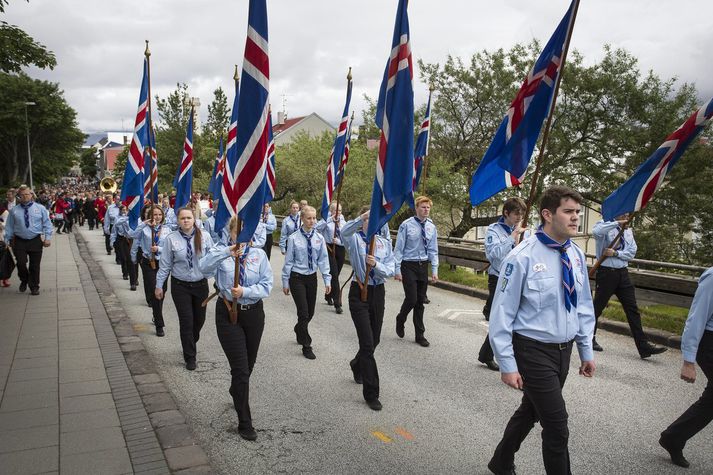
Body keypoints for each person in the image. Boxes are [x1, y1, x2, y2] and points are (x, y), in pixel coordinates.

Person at [487, 186, 596, 475]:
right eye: (569, 211)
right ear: (547, 214)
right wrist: (507, 364)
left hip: (565, 350)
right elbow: (501, 314)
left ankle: (501, 461)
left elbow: (583, 306)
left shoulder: (575, 255)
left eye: (577, 212)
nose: (576, 217)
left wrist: (586, 350)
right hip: (532, 350)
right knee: (557, 426)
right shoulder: (521, 257)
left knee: (530, 410)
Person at [198, 215, 273, 441]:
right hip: (229, 313)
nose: (241, 237)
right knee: (240, 369)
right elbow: (203, 268)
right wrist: (227, 252)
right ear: (230, 233)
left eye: (245, 233)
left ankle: (236, 390)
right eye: (236, 233)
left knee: (248, 365)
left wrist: (247, 292)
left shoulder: (259, 255)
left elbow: (267, 286)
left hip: (253, 314)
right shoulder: (221, 252)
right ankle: (244, 421)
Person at [659, 266, 713, 469]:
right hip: (709, 343)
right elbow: (696, 318)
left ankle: (673, 437)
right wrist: (688, 361)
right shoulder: (712, 277)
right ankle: (673, 437)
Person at [342, 207, 395, 411]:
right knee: (366, 344)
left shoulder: (383, 243)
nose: (373, 224)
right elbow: (344, 232)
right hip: (359, 292)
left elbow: (390, 269)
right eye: (369, 220)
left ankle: (357, 364)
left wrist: (377, 265)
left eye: (376, 220)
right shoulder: (354, 239)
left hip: (377, 292)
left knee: (375, 339)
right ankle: (371, 393)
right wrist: (361, 217)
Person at [591, 215, 667, 358]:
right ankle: (589, 339)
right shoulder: (605, 224)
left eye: (628, 213)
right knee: (597, 308)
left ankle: (643, 346)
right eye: (623, 213)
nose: (626, 215)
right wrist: (616, 223)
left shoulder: (627, 230)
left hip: (623, 273)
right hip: (607, 273)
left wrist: (616, 253)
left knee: (632, 310)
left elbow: (631, 252)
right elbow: (596, 232)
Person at [156, 207, 213, 370]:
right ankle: (190, 356)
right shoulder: (171, 239)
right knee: (186, 321)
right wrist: (159, 285)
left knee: (199, 321)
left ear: (194, 219)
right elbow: (165, 264)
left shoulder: (205, 237)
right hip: (180, 286)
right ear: (178, 221)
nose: (186, 221)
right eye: (183, 218)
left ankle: (190, 342)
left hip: (200, 285)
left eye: (189, 218)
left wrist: (220, 281)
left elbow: (212, 260)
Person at [477, 197, 527, 372]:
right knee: (502, 320)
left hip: (518, 278)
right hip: (499, 278)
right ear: (506, 213)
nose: (519, 218)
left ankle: (487, 354)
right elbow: (494, 255)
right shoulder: (494, 230)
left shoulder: (524, 230)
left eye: (521, 214)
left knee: (515, 320)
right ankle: (490, 355)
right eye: (516, 214)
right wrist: (513, 237)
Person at [282, 205, 331, 360]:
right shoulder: (294, 238)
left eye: (314, 218)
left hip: (311, 278)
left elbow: (323, 260)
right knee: (303, 312)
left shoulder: (319, 238)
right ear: (302, 219)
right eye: (309, 218)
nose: (312, 221)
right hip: (297, 278)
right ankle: (306, 345)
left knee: (310, 313)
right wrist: (285, 281)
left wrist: (327, 279)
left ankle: (299, 328)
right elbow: (288, 261)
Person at [394, 195, 439, 347]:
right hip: (408, 264)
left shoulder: (431, 227)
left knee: (420, 302)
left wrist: (434, 269)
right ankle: (401, 318)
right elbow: (399, 249)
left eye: (428, 207)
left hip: (423, 265)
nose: (426, 210)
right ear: (416, 208)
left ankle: (420, 335)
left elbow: (433, 249)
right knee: (411, 299)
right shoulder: (406, 225)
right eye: (423, 207)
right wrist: (397, 269)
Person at [4, 185, 53, 295]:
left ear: (31, 195)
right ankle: (24, 279)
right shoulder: (14, 211)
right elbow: (9, 227)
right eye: (22, 195)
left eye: (27, 194)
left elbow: (47, 224)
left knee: (35, 265)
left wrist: (48, 238)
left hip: (35, 240)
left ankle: (34, 286)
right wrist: (7, 240)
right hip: (20, 241)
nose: (25, 197)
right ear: (19, 196)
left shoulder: (40, 208)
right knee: (21, 263)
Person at [130, 205, 171, 336]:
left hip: (163, 264)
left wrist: (158, 249)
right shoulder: (144, 229)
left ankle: (156, 313)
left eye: (159, 214)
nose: (157, 217)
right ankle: (159, 324)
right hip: (148, 263)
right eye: (154, 215)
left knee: (162, 291)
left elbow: (169, 248)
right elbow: (132, 234)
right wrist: (143, 224)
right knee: (155, 290)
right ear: (149, 216)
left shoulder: (167, 229)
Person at [316, 202, 347, 314]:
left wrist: (339, 241)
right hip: (329, 249)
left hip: (340, 249)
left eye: (339, 210)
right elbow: (316, 228)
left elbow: (347, 237)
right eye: (335, 210)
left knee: (336, 275)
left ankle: (328, 295)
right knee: (334, 275)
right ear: (331, 211)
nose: (337, 213)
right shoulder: (326, 220)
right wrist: (329, 220)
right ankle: (337, 303)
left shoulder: (344, 222)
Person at [110, 204, 137, 288]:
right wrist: (112, 242)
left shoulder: (132, 219)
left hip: (131, 239)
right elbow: (114, 231)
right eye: (123, 210)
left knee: (131, 260)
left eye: (126, 210)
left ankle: (133, 281)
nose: (124, 211)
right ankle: (125, 273)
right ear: (120, 211)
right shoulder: (118, 219)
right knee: (123, 258)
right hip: (121, 239)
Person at [104, 195, 121, 259]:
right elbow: (107, 218)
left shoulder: (123, 207)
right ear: (114, 199)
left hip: (120, 227)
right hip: (112, 225)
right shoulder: (110, 207)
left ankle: (118, 257)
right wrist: (106, 228)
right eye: (117, 199)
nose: (118, 201)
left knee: (118, 243)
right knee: (111, 240)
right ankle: (109, 249)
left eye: (119, 199)